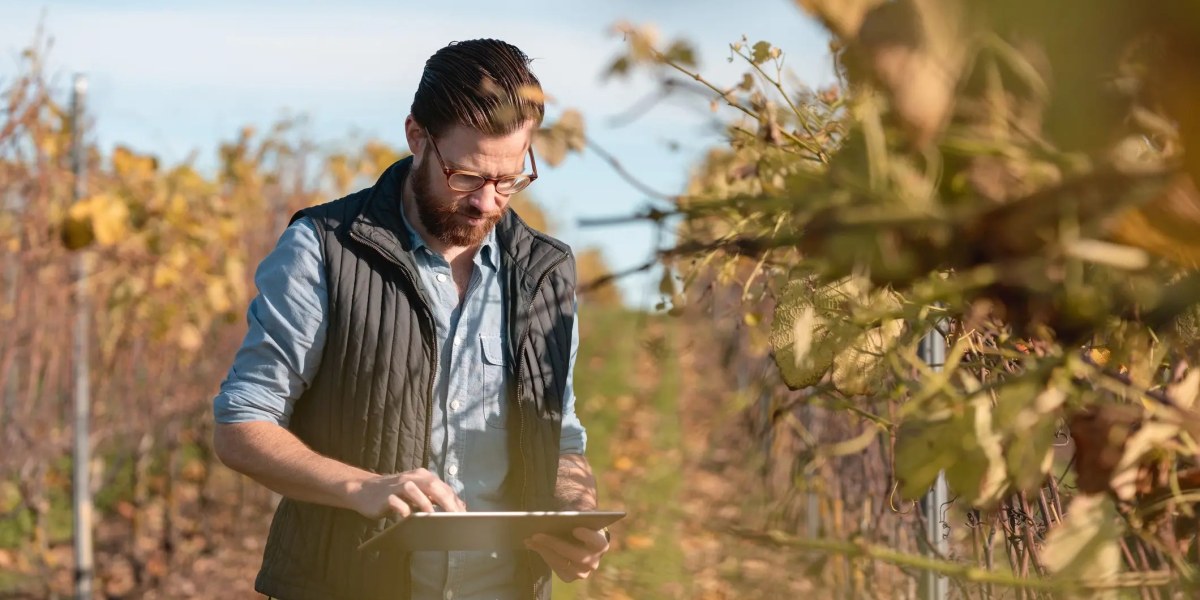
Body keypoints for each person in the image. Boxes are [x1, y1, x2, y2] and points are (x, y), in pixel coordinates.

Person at [211, 39, 607, 600]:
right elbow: (240, 425)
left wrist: (574, 512)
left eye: (510, 179)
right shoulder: (323, 248)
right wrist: (361, 487)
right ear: (417, 136)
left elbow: (561, 433)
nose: (488, 203)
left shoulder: (548, 271)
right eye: (466, 177)